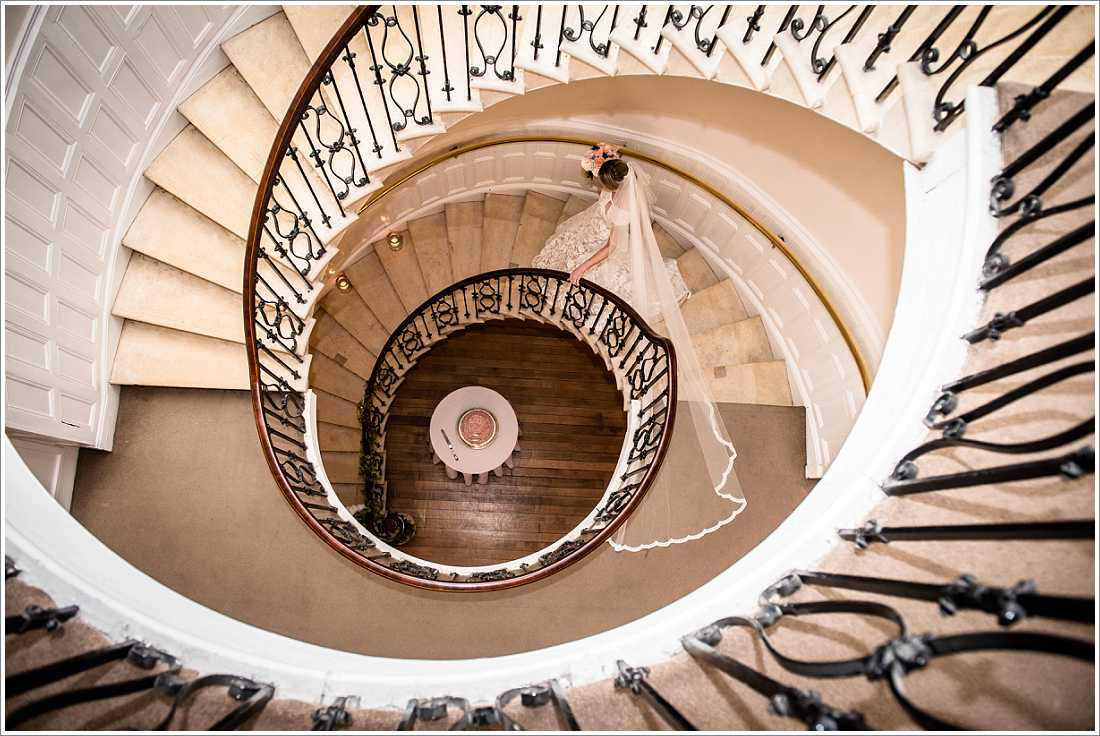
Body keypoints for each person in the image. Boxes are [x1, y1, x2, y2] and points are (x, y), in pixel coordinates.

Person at [535, 143, 747, 553]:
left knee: (584, 279)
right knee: (565, 250)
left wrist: (582, 268)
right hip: (596, 230)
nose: (595, 181)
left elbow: (613, 250)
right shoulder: (613, 191)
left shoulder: (621, 211)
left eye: (597, 178)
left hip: (606, 252)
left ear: (609, 180)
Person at [532, 144, 690, 307]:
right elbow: (609, 155)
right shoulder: (616, 169)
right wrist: (605, 152)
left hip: (605, 239)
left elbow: (612, 246)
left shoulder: (623, 209)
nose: (598, 184)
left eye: (601, 183)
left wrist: (582, 268)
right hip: (593, 223)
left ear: (615, 186)